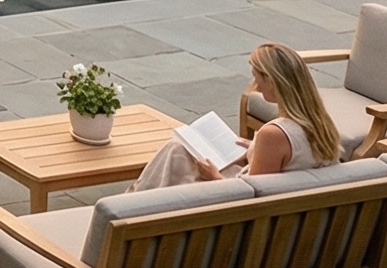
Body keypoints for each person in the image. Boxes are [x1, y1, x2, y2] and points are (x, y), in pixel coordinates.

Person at [130, 41, 347, 190]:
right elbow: (291, 160)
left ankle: (131, 207)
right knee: (179, 150)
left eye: (257, 79)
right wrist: (254, 151)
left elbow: (252, 199)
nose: (255, 87)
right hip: (287, 206)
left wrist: (213, 177)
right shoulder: (321, 122)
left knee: (176, 153)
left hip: (241, 217)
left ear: (272, 80)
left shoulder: (273, 134)